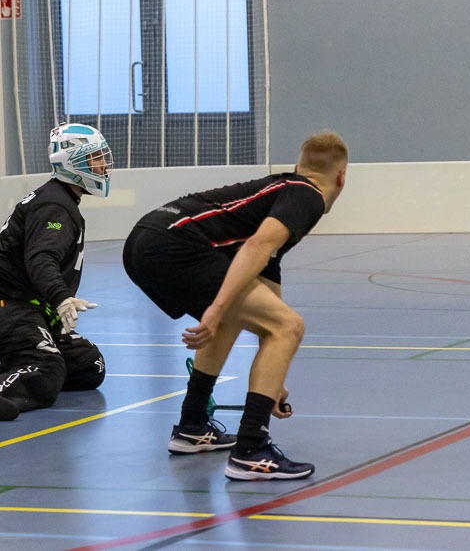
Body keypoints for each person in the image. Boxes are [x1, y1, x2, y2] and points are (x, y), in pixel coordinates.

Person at [123, 131, 348, 480]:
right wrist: (214, 309)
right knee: (289, 326)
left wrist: (273, 377)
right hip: (173, 245)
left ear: (297, 166)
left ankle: (192, 425)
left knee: (243, 319)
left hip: (146, 239)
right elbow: (258, 246)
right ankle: (251, 450)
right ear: (341, 177)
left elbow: (265, 289)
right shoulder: (308, 196)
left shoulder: (281, 189)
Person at [0, 123, 111, 421]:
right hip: (3, 303)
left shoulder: (59, 200)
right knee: (48, 367)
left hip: (27, 306)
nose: (103, 165)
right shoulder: (55, 206)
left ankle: (5, 372)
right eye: (96, 158)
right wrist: (61, 298)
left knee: (89, 366)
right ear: (74, 163)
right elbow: (41, 258)